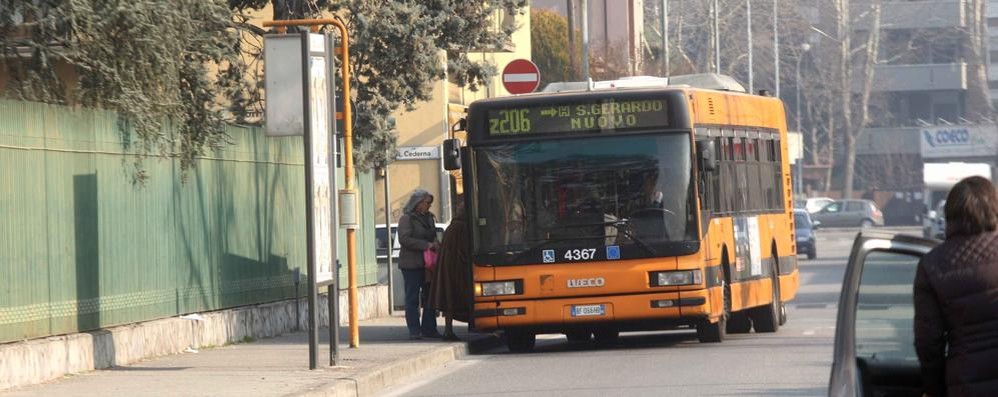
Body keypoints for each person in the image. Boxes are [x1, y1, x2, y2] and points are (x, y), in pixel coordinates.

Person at [913, 176, 998, 396]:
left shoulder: (932, 265)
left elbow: (929, 344)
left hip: (965, 382)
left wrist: (935, 390)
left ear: (949, 215)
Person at [397, 189, 441, 339]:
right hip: (411, 265)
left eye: (430, 203)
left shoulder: (429, 218)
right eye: (426, 203)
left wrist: (435, 242)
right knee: (412, 298)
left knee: (429, 297)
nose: (429, 206)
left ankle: (429, 329)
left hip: (428, 265)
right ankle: (414, 330)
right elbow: (404, 239)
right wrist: (425, 245)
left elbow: (432, 235)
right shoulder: (406, 219)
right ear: (418, 203)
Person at [430, 195, 472, 341]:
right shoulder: (462, 228)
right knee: (459, 297)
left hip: (447, 269)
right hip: (458, 269)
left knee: (449, 299)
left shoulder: (451, 227)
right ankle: (454, 329)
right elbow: (465, 251)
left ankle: (448, 330)